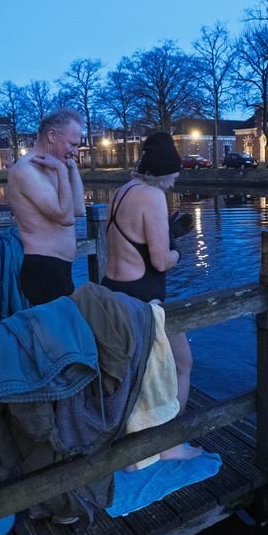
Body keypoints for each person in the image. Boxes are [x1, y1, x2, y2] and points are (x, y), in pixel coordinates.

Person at [101, 132, 201, 461]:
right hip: (142, 300)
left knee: (135, 377)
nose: (173, 186)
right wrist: (177, 251)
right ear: (163, 173)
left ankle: (133, 451)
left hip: (112, 293)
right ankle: (170, 445)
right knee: (181, 364)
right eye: (172, 178)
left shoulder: (121, 192)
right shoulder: (152, 196)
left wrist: (167, 232)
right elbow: (160, 260)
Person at [7, 109, 86, 305]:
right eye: (73, 144)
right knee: (61, 333)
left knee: (68, 331)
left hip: (61, 268)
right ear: (52, 135)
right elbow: (65, 218)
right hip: (43, 269)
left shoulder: (53, 165)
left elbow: (78, 209)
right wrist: (61, 170)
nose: (76, 152)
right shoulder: (26, 170)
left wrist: (71, 168)